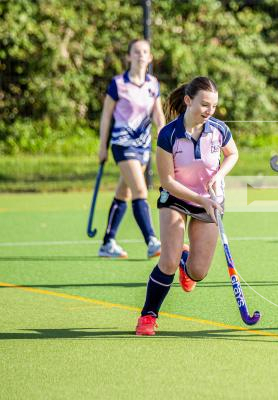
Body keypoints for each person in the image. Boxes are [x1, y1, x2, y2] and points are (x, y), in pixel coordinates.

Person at [135, 76, 239, 336]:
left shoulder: (219, 130)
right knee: (167, 262)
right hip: (176, 198)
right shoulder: (169, 134)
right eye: (204, 105)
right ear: (188, 100)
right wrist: (199, 199)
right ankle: (148, 315)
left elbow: (233, 154)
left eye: (213, 107)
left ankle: (186, 260)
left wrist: (219, 176)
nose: (209, 111)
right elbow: (167, 180)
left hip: (210, 199)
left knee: (198, 272)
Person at [97, 39, 166, 259]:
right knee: (140, 191)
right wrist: (102, 146)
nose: (140, 55)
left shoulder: (153, 84)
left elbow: (157, 114)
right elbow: (107, 115)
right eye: (136, 52)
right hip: (122, 143)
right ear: (128, 57)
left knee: (124, 192)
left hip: (143, 145)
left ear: (150, 57)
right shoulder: (118, 84)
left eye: (145, 51)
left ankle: (107, 243)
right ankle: (152, 241)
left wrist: (164, 136)